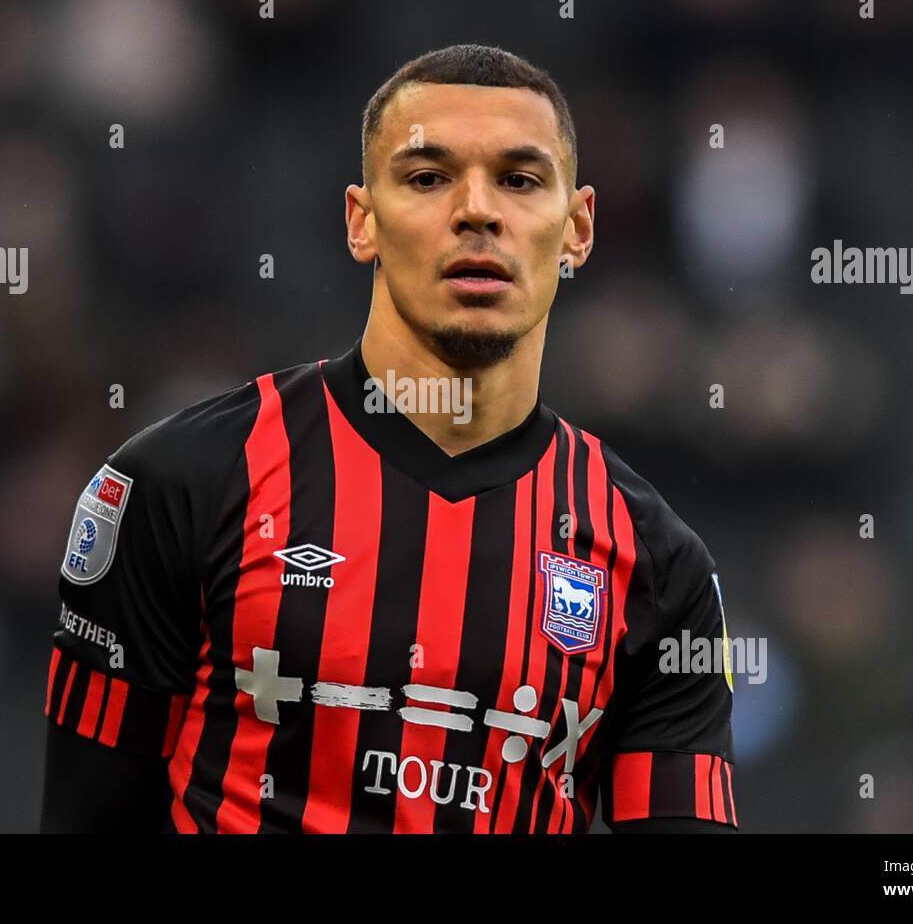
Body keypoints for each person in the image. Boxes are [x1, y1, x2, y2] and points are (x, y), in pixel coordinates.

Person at [40, 43, 737, 833]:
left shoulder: (659, 563)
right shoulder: (178, 485)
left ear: (577, 229)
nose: (477, 211)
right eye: (428, 177)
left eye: (519, 179)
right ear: (361, 222)